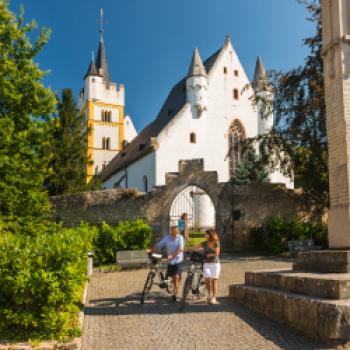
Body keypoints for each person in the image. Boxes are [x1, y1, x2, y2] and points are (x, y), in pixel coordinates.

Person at [155, 225, 184, 301]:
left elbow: (180, 249)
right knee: (173, 277)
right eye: (171, 230)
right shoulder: (167, 237)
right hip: (170, 261)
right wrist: (152, 249)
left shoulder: (180, 238)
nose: (172, 232)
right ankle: (176, 285)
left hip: (178, 260)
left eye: (174, 230)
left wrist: (172, 255)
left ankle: (175, 293)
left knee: (176, 276)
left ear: (177, 231)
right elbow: (159, 244)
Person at [201, 229, 220, 304]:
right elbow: (196, 247)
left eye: (206, 234)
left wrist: (210, 254)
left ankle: (214, 297)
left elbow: (217, 253)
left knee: (214, 280)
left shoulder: (216, 243)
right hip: (206, 263)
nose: (204, 235)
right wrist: (188, 249)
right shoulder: (204, 243)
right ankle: (209, 295)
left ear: (210, 235)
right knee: (207, 279)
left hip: (215, 263)